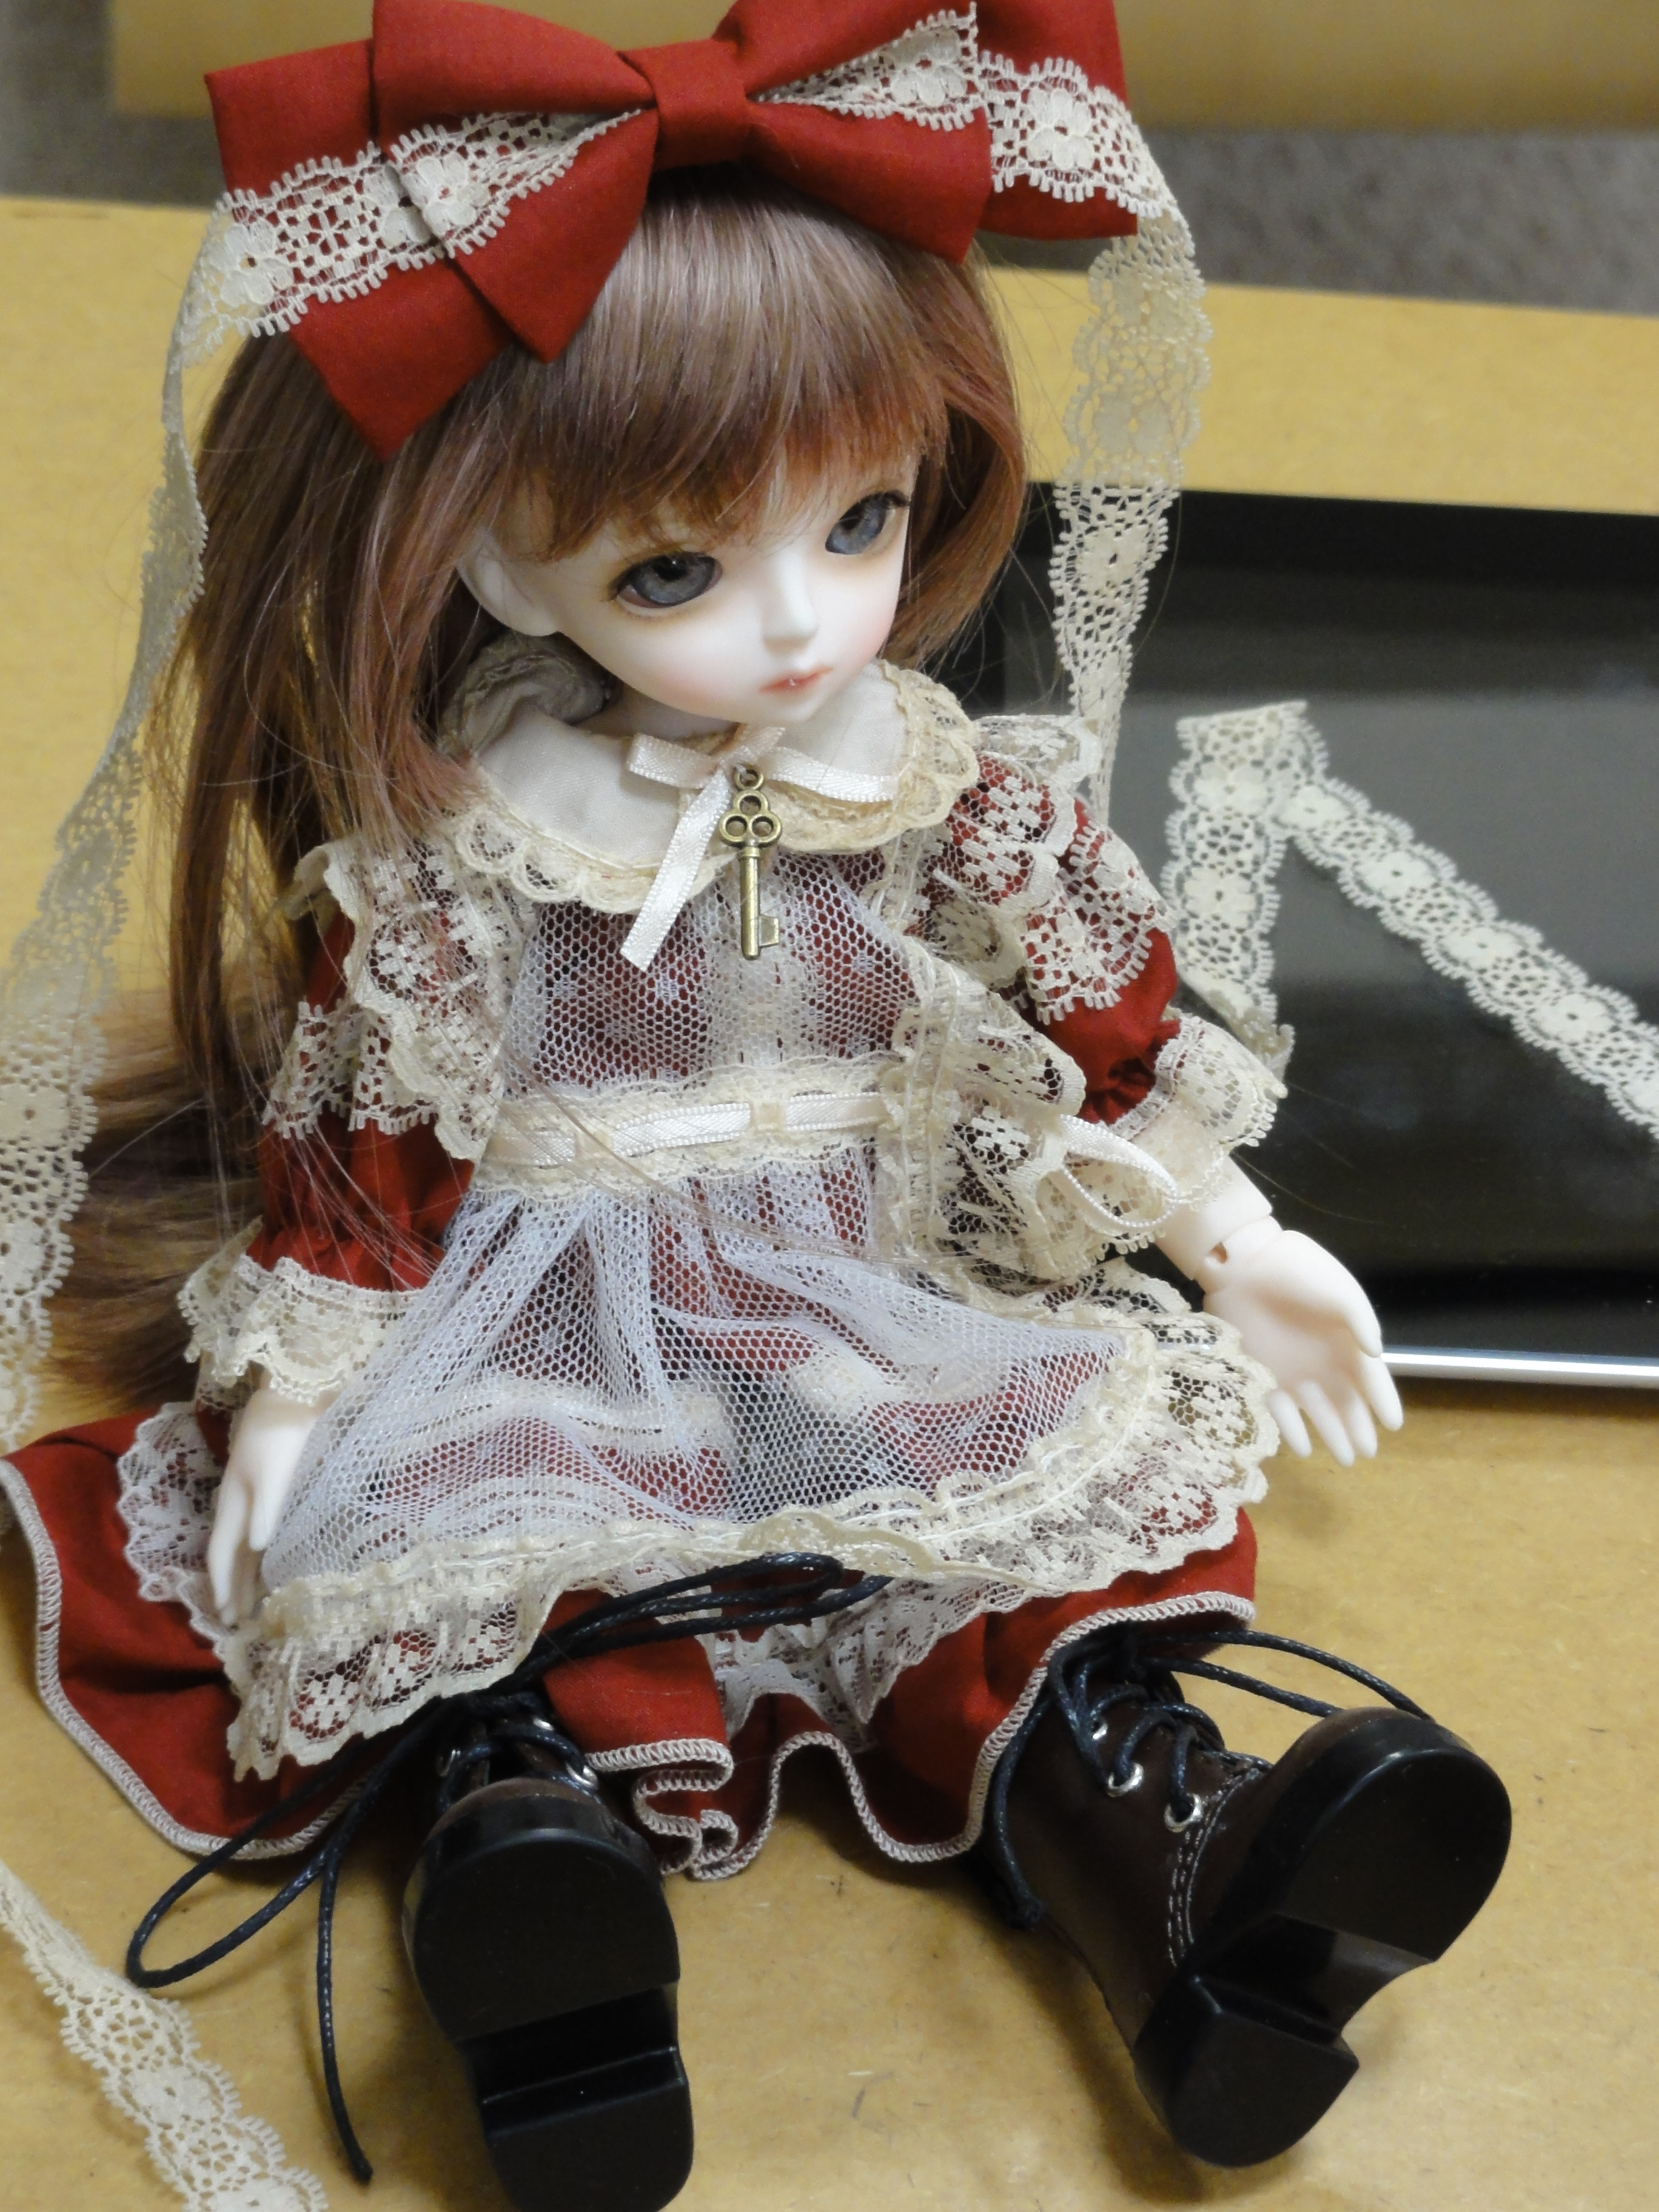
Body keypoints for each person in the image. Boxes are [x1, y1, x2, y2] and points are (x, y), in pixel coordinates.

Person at [0, 5, 1510, 2207]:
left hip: (848, 1272)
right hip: (548, 1300)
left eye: (863, 519)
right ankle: (539, 1904)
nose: (801, 628)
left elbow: (1104, 1023)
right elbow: (372, 1154)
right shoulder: (475, 860)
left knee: (998, 1524)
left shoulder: (942, 791)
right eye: (674, 572)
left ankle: (1172, 1866)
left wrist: (1237, 1239)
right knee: (496, 1558)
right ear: (495, 563)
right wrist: (306, 1399)